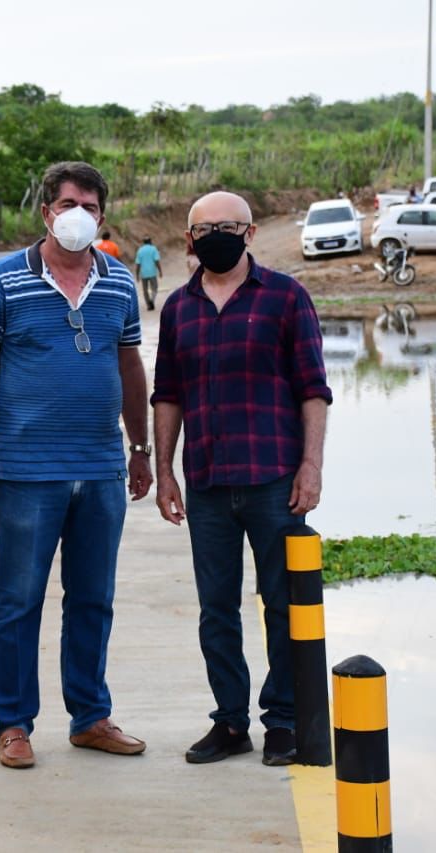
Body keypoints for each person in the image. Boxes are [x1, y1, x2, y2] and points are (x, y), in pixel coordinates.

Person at [0, 160, 153, 770]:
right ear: (47, 211)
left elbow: (129, 370)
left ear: (103, 216)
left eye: (92, 207)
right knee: (18, 599)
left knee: (93, 597)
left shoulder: (119, 281)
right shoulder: (4, 279)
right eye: (70, 204)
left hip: (100, 470)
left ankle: (90, 716)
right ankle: (13, 725)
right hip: (25, 473)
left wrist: (140, 447)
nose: (80, 215)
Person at [150, 191, 332, 767]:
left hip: (274, 480)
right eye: (203, 229)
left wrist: (311, 466)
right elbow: (168, 395)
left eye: (227, 226)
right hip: (205, 482)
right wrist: (164, 471)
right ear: (189, 240)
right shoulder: (178, 308)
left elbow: (313, 390)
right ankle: (230, 722)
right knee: (216, 610)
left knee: (281, 605)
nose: (215, 237)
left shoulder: (285, 298)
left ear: (250, 233)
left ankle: (282, 723)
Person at [134, 236, 163, 311]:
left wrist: (137, 275)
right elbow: (157, 261)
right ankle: (152, 300)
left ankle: (148, 304)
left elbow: (138, 264)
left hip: (143, 273)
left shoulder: (140, 250)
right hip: (152, 272)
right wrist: (160, 271)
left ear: (143, 242)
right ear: (150, 241)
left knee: (145, 290)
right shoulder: (153, 249)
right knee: (155, 288)